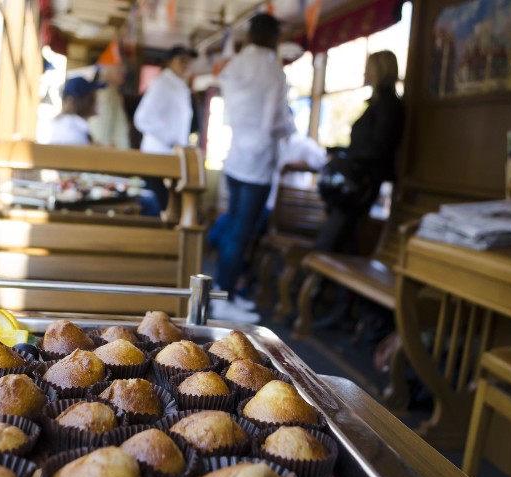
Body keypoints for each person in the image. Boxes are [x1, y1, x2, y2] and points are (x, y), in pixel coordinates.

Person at [314, 50, 405, 332]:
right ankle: (341, 310)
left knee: (332, 244)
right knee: (345, 245)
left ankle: (330, 304)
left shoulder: (389, 105)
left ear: (380, 70)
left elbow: (379, 149)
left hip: (362, 190)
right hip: (358, 188)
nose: (365, 74)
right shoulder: (378, 103)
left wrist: (347, 157)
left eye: (369, 68)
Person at [211, 13, 294, 323]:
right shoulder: (273, 69)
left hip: (235, 156)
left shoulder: (235, 64)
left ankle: (223, 294)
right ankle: (223, 297)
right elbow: (275, 119)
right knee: (241, 232)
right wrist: (288, 128)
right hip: (258, 161)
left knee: (234, 225)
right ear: (273, 37)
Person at [133, 45, 197, 211]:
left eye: (188, 61)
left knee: (167, 207)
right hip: (158, 158)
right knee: (159, 207)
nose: (186, 64)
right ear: (169, 62)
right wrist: (172, 140)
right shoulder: (163, 84)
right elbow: (142, 118)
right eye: (181, 60)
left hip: (170, 158)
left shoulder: (179, 86)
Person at [49, 77, 104, 145]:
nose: (98, 99)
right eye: (94, 94)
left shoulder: (64, 122)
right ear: (87, 100)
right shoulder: (72, 129)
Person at [89, 65, 130, 149]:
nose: (124, 74)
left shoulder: (111, 91)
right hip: (110, 153)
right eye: (120, 71)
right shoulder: (107, 92)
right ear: (107, 73)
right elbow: (102, 131)